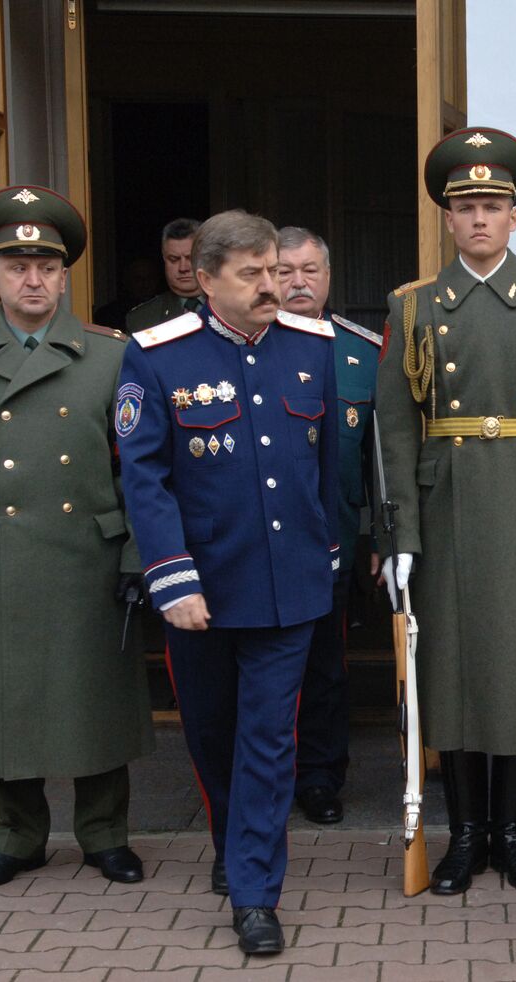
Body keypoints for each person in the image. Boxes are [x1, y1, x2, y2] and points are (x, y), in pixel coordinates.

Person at [376, 127, 516, 896]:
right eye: (465, 206)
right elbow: (396, 428)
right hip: (444, 510)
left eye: (491, 207)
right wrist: (401, 531)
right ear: (447, 218)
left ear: (514, 219)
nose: (478, 219)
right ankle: (465, 835)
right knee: (450, 674)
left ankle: (513, 833)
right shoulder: (412, 308)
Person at [0, 184, 153, 892]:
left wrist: (139, 555)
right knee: (3, 704)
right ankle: (17, 836)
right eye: (16, 266)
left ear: (65, 275)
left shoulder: (111, 356)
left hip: (90, 553)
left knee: (95, 698)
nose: (33, 279)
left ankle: (106, 834)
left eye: (46, 266)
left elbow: (141, 468)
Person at [116, 209, 339, 954]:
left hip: (288, 586)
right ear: (205, 280)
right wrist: (171, 579)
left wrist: (329, 551)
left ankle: (253, 891)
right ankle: (231, 842)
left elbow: (327, 465)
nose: (273, 285)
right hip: (200, 590)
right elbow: (144, 479)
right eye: (252, 274)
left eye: (276, 269)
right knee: (213, 736)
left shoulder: (313, 347)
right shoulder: (156, 356)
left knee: (270, 739)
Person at [276, 225, 382, 824]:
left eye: (308, 271)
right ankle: (267, 776)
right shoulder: (250, 346)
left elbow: (379, 459)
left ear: (328, 276)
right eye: (284, 271)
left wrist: (376, 536)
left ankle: (319, 777)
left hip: (333, 538)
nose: (296, 282)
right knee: (263, 667)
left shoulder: (362, 353)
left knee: (323, 663)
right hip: (258, 542)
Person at [125, 217, 204, 332]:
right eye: (174, 259)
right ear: (164, 260)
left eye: (190, 258)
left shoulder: (233, 309)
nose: (183, 268)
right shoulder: (141, 319)